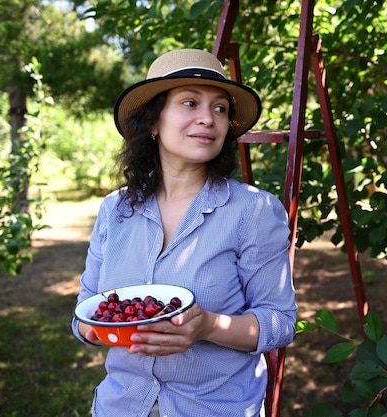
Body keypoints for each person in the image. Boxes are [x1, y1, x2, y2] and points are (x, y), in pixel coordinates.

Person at [71, 49, 297, 417]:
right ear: (154, 122)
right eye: (190, 103)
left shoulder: (253, 211)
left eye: (220, 108)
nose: (208, 119)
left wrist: (207, 326)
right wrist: (105, 328)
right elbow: (86, 312)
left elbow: (280, 322)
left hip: (214, 407)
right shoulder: (114, 210)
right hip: (121, 405)